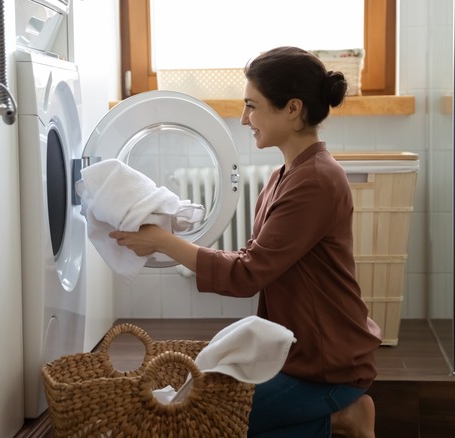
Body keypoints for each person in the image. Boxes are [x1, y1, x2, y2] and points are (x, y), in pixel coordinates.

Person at [110, 46, 379, 438]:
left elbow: (247, 273)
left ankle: (343, 415)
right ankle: (335, 420)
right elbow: (253, 259)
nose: (243, 118)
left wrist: (162, 241)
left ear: (292, 108)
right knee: (209, 416)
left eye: (252, 106)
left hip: (328, 364)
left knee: (205, 421)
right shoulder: (284, 175)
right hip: (298, 351)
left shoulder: (317, 181)